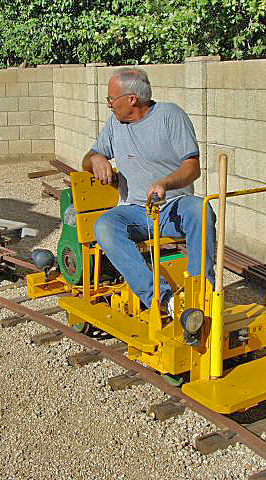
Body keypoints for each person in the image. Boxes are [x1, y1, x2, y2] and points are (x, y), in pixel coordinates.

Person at [81, 67, 216, 315]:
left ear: (132, 99)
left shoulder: (171, 116)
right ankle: (164, 300)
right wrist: (96, 158)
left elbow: (192, 167)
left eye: (111, 99)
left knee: (201, 209)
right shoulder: (115, 124)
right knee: (104, 226)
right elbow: (87, 160)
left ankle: (201, 296)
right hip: (134, 211)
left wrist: (166, 183)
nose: (109, 105)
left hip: (173, 207)